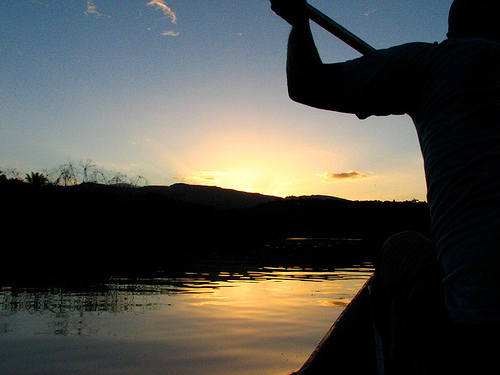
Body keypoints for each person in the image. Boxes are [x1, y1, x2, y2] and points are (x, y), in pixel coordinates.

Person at [270, 0, 500, 374]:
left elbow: (306, 83)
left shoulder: (429, 64)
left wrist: (299, 23)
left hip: (474, 326)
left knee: (400, 244)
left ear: (451, 31)